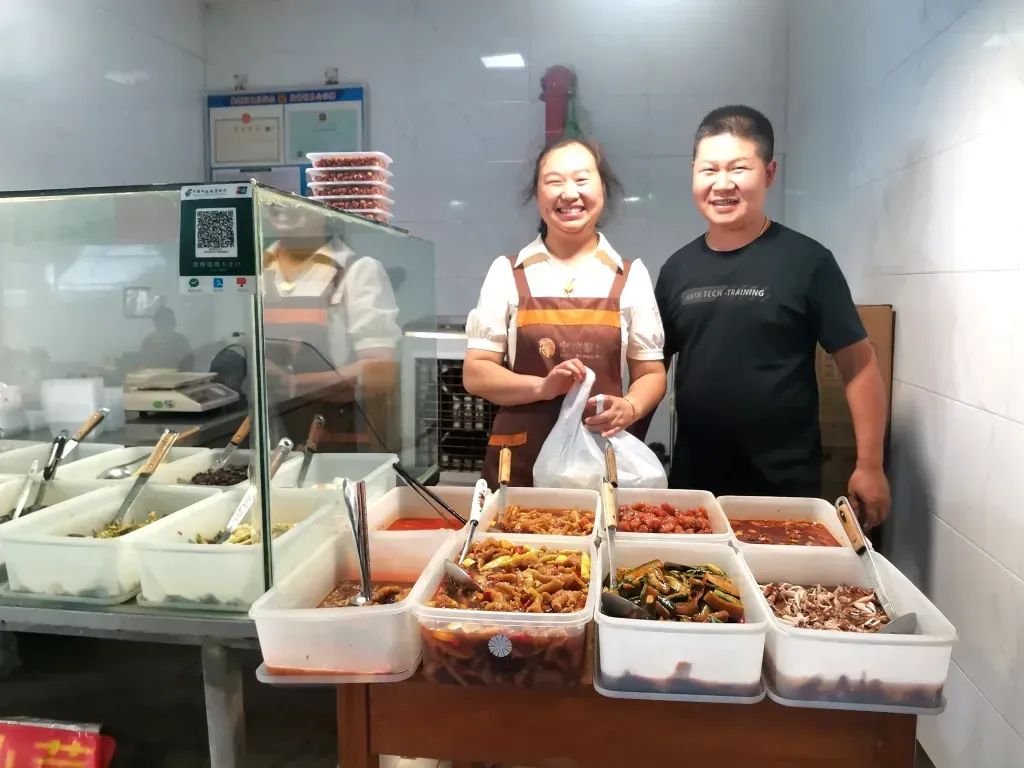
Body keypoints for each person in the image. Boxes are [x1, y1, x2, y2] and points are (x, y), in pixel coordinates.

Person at [655, 105, 891, 528]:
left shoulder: (808, 262)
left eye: (738, 168)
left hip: (784, 486)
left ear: (768, 172)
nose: (722, 184)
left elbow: (858, 363)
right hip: (694, 487)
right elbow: (651, 369)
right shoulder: (677, 270)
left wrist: (869, 465)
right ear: (693, 173)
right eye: (709, 170)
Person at [464, 138, 667, 488]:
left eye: (582, 179)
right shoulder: (507, 271)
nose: (569, 193)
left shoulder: (630, 275)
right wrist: (542, 387)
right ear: (538, 194)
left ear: (602, 189)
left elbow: (651, 373)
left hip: (597, 460)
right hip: (522, 462)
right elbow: (476, 373)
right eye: (554, 181)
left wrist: (631, 407)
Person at [261, 202, 401, 452]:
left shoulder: (357, 270)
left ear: (324, 212)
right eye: (275, 202)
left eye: (297, 201)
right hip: (265, 432)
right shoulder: (253, 269)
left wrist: (294, 384)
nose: (283, 207)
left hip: (336, 432)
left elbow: (380, 371)